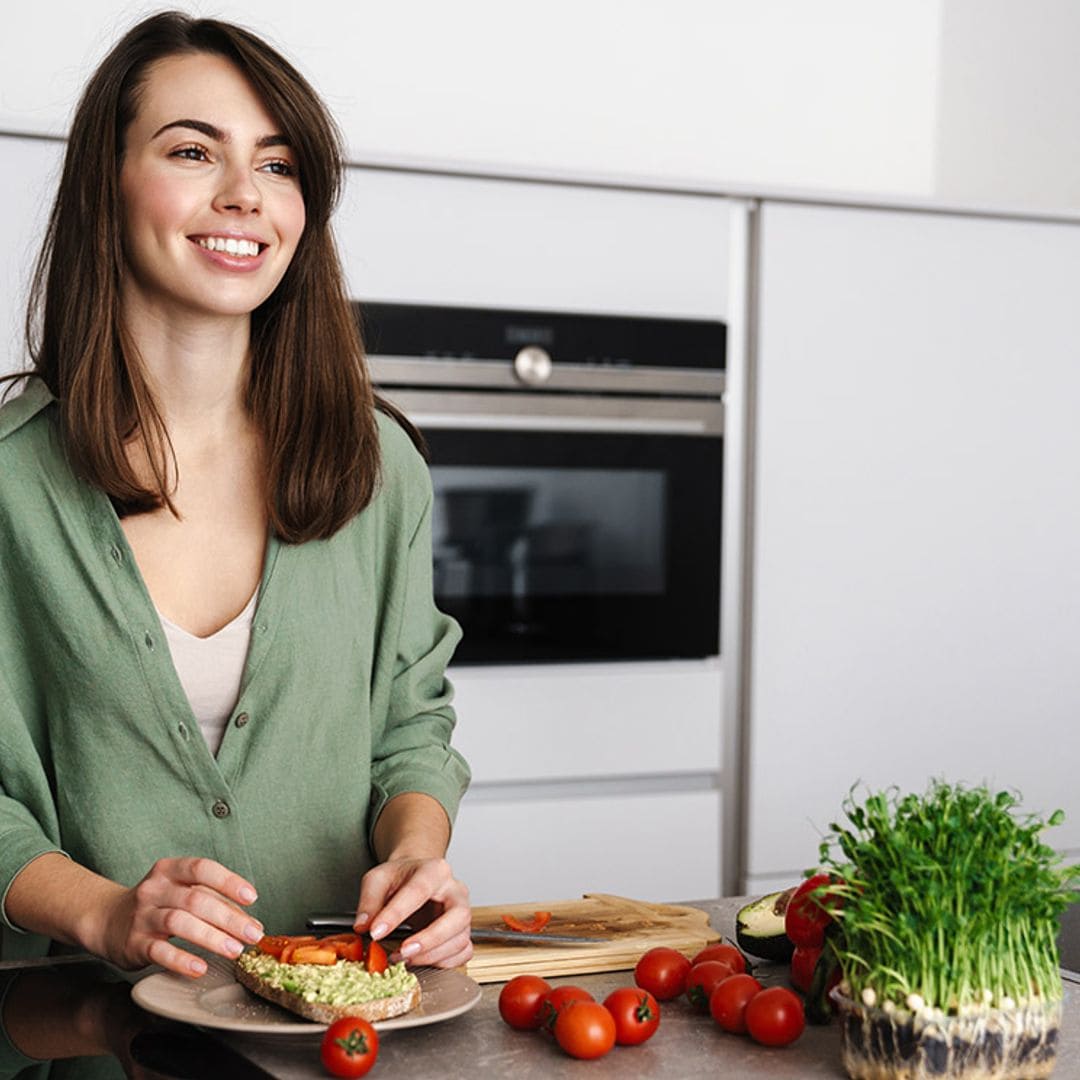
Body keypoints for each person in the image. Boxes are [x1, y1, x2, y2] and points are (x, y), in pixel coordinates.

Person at [0, 12, 472, 977]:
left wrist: (418, 859)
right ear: (107, 181)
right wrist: (105, 913)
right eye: (191, 150)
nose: (243, 196)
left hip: (339, 1027)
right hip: (83, 1038)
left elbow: (410, 725)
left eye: (279, 164)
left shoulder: (377, 467)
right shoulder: (11, 481)